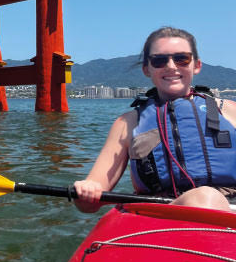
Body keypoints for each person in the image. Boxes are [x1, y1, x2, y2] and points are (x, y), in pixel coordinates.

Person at [74, 27, 236, 213]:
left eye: (181, 58)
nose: (171, 66)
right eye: (159, 60)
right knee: (204, 198)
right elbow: (87, 203)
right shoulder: (128, 124)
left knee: (205, 198)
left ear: (197, 65)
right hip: (156, 215)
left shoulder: (230, 112)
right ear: (146, 69)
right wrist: (87, 189)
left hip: (228, 210)